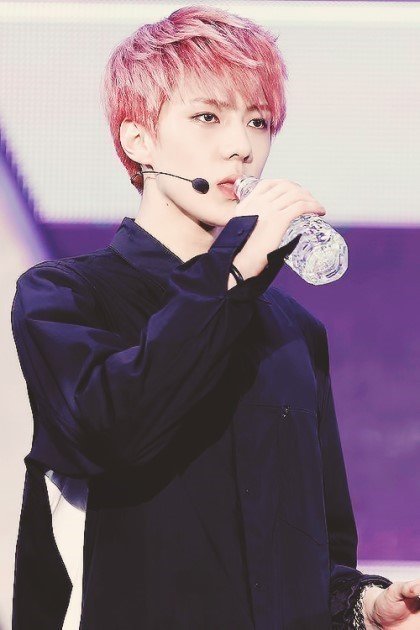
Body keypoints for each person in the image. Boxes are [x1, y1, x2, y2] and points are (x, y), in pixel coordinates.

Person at [11, 5, 420, 629]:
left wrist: (363, 607)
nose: (241, 147)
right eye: (208, 116)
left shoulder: (293, 330)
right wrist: (231, 272)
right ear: (138, 140)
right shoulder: (63, 296)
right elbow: (111, 431)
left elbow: (320, 551)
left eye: (258, 121)